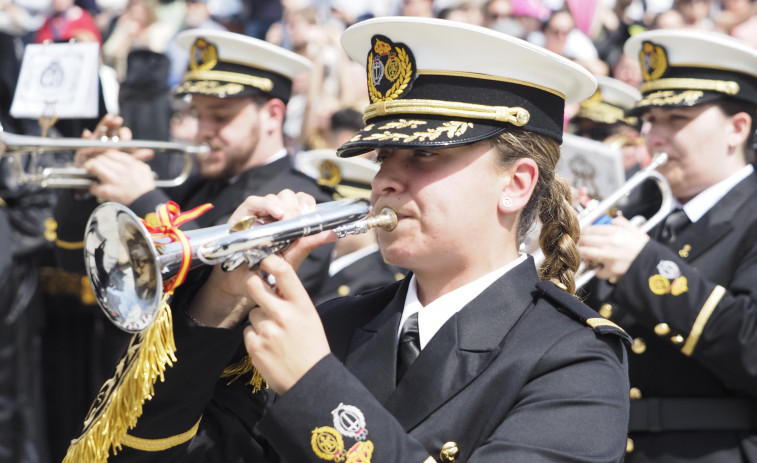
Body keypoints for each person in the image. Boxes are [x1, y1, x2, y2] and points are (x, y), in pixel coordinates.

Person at [64, 17, 631, 463]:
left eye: (425, 154)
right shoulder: (337, 326)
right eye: (384, 154)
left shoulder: (574, 361)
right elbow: (147, 453)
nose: (385, 177)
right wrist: (216, 306)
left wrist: (315, 385)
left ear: (515, 184)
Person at [52, 28, 335, 462]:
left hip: (211, 437)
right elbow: (75, 270)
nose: (202, 131)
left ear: (273, 115)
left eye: (220, 116)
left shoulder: (296, 197)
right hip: (139, 410)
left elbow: (222, 303)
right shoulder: (195, 185)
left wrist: (144, 201)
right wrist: (87, 187)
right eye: (197, 114)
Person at [578, 29, 757, 462]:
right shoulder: (640, 211)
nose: (654, 135)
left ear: (737, 129)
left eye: (676, 120)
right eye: (651, 119)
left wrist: (644, 267)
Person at [295, 149, 406, 306]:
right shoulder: (322, 268)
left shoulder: (377, 281)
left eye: (339, 211)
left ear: (367, 213)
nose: (325, 220)